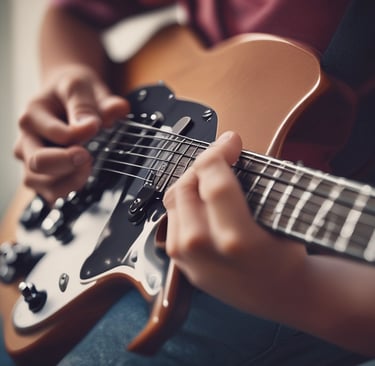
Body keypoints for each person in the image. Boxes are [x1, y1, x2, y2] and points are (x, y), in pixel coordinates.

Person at [3, 0, 375, 365]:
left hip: (308, 275)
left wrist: (297, 287)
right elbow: (70, 13)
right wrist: (66, 78)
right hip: (112, 206)